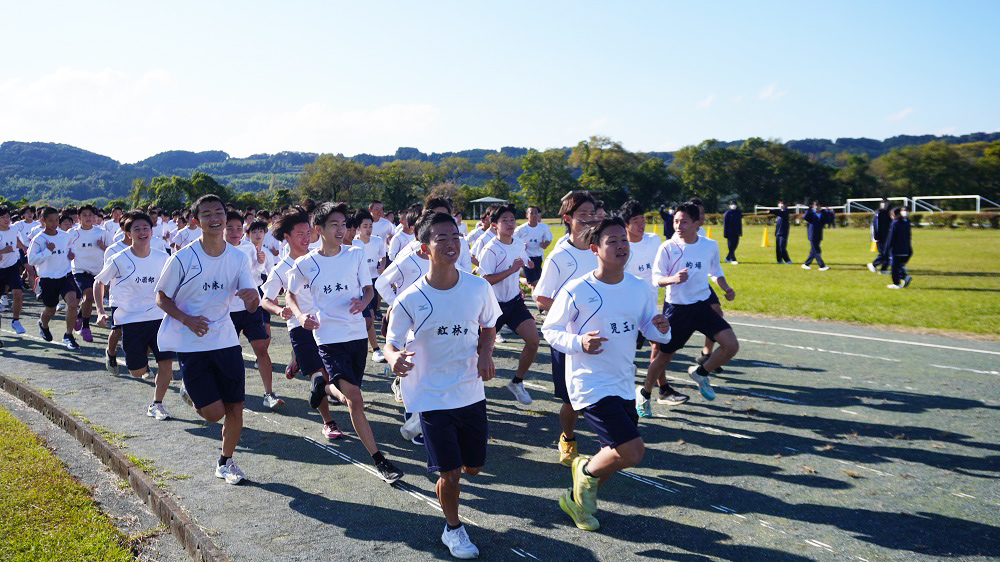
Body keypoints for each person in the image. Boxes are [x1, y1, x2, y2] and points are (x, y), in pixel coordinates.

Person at [542, 216, 671, 531]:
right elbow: (550, 329)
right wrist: (579, 342)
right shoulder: (578, 289)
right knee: (633, 451)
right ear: (595, 249)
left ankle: (576, 501)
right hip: (590, 384)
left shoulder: (639, 288)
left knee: (616, 453)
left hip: (623, 381)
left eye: (623, 240)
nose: (620, 246)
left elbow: (648, 327)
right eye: (611, 241)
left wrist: (662, 329)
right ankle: (584, 472)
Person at [384, 211, 500, 559]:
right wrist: (393, 360)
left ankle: (439, 450)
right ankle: (453, 529)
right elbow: (389, 343)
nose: (451, 244)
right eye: (441, 238)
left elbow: (489, 325)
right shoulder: (409, 298)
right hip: (430, 394)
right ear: (423, 248)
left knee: (473, 467)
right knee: (450, 473)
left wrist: (485, 353)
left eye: (455, 237)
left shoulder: (478, 287)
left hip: (469, 390)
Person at [286, 202, 404, 484]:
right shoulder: (306, 263)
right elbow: (289, 295)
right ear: (319, 230)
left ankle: (323, 387)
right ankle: (380, 460)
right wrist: (301, 316)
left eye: (343, 224)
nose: (341, 230)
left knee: (352, 395)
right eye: (334, 225)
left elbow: (367, 289)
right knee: (356, 400)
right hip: (328, 337)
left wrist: (363, 302)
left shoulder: (355, 255)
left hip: (356, 336)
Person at [155, 194, 259, 485]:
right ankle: (189, 392)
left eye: (219, 212)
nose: (214, 218)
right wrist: (187, 319)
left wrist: (253, 299)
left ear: (227, 217)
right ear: (195, 220)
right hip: (192, 343)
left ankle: (226, 462)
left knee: (235, 407)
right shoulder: (184, 257)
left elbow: (251, 302)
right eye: (207, 214)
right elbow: (161, 297)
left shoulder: (239, 257)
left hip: (225, 340)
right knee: (214, 414)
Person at [637, 203, 740, 416]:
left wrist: (726, 288)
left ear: (697, 223)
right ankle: (645, 393)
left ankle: (701, 373)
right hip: (677, 310)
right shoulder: (667, 247)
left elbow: (715, 271)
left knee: (731, 345)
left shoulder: (709, 245)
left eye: (683, 221)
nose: (678, 225)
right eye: (675, 221)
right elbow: (656, 279)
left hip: (702, 307)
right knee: (663, 357)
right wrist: (673, 279)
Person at [261, 209, 343, 439]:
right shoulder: (281, 268)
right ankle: (329, 422)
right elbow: (265, 299)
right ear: (287, 237)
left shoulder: (321, 257)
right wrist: (279, 309)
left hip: (328, 323)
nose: (306, 238)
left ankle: (297, 359)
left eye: (308, 233)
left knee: (331, 374)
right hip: (300, 326)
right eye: (300, 234)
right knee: (318, 377)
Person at [532, 191, 597, 466]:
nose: (589, 220)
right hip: (567, 338)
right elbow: (541, 298)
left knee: (604, 391)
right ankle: (567, 439)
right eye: (583, 215)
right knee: (571, 400)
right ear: (568, 219)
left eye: (592, 214)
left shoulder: (600, 250)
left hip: (599, 336)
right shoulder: (559, 256)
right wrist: (572, 308)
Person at [94, 211, 174, 420]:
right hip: (130, 319)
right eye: (136, 229)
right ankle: (121, 354)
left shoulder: (162, 257)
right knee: (137, 371)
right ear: (128, 233)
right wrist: (101, 311)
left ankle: (157, 404)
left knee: (166, 364)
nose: (142, 232)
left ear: (151, 231)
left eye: (145, 228)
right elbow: (99, 282)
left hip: (158, 317)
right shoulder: (118, 259)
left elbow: (174, 283)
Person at [620, 201, 687, 406]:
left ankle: (662, 389)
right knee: (623, 353)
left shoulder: (654, 240)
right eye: (635, 221)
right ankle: (618, 391)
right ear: (626, 225)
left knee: (659, 343)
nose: (641, 225)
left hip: (650, 307)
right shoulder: (622, 247)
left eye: (643, 220)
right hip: (626, 308)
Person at [478, 204, 539, 405]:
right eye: (505, 220)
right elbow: (485, 279)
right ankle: (468, 389)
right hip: (492, 307)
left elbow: (523, 262)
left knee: (533, 341)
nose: (510, 223)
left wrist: (526, 268)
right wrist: (513, 270)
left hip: (514, 303)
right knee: (478, 352)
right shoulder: (490, 249)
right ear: (494, 225)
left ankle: (516, 382)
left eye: (512, 219)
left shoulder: (518, 243)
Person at [225, 212, 283, 410]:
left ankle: (269, 393)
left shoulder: (248, 247)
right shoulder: (215, 249)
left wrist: (259, 262)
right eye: (230, 228)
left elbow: (257, 274)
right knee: (228, 352)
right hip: (226, 311)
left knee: (261, 348)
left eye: (238, 228)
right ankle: (229, 393)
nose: (235, 232)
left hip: (251, 307)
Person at [27, 207, 80, 350]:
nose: (54, 223)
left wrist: (71, 254)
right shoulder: (39, 239)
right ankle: (43, 324)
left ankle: (68, 335)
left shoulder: (64, 235)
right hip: (48, 279)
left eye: (56, 220)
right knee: (50, 310)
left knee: (73, 304)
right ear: (42, 221)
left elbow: (71, 248)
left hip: (65, 276)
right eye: (50, 220)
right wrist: (47, 251)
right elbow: (31, 260)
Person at [352, 209, 388, 363]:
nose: (369, 229)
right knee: (370, 317)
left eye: (370, 226)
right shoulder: (353, 243)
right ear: (358, 228)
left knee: (369, 318)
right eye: (365, 226)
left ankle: (369, 346)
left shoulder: (378, 241)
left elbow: (383, 257)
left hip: (373, 280)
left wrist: (381, 266)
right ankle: (376, 349)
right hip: (359, 283)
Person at [69, 205, 107, 343]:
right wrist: (69, 256)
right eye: (84, 215)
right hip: (80, 270)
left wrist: (103, 247)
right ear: (78, 218)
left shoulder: (101, 233)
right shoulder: (72, 233)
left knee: (91, 299)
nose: (88, 218)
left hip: (98, 271)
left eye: (90, 215)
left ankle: (80, 316)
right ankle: (85, 327)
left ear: (95, 217)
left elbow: (113, 250)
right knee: (89, 295)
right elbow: (65, 250)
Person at [513, 205, 553, 290]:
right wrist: (521, 245)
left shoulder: (543, 227)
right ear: (527, 215)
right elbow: (512, 239)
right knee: (535, 283)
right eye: (531, 213)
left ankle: (521, 279)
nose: (534, 215)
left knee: (536, 281)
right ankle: (536, 300)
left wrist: (546, 244)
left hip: (538, 256)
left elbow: (548, 239)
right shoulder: (521, 229)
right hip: (526, 257)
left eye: (536, 213)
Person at [0, 207, 26, 337]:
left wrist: (25, 247)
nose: (6, 220)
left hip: (12, 267)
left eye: (7, 217)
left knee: (18, 294)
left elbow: (17, 241)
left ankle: (15, 321)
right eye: (3, 217)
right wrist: (3, 251)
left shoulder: (14, 229)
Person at [885, 207, 913, 289]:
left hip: (896, 249)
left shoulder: (895, 223)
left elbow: (891, 238)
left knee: (894, 267)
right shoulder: (906, 222)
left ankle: (896, 283)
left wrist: (886, 249)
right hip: (906, 248)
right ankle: (904, 276)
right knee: (898, 266)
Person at [802, 201, 833, 270]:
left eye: (818, 205)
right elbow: (804, 217)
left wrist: (829, 212)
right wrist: (809, 209)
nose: (816, 207)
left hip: (819, 234)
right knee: (816, 250)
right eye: (815, 205)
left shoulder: (823, 214)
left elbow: (829, 220)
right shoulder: (811, 214)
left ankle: (806, 264)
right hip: (812, 234)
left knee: (813, 250)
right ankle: (822, 266)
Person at [868, 198, 891, 274]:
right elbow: (875, 226)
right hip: (880, 237)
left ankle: (884, 269)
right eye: (883, 203)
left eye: (886, 203)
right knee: (883, 253)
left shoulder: (888, 212)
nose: (884, 204)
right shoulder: (878, 213)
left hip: (887, 236)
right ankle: (873, 264)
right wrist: (875, 236)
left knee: (888, 253)